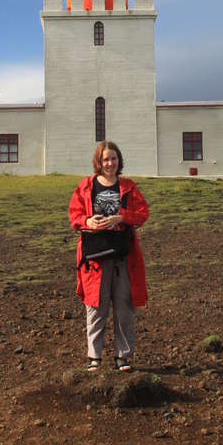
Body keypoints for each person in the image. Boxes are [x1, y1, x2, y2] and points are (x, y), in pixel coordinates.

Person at [68, 140, 149, 372]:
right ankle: (94, 357)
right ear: (98, 162)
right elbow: (75, 215)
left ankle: (123, 357)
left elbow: (143, 213)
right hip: (95, 256)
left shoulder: (128, 187)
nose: (110, 163)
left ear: (119, 160)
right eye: (105, 159)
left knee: (124, 306)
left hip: (123, 255)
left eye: (113, 158)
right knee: (96, 305)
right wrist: (87, 221)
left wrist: (121, 217)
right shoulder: (86, 186)